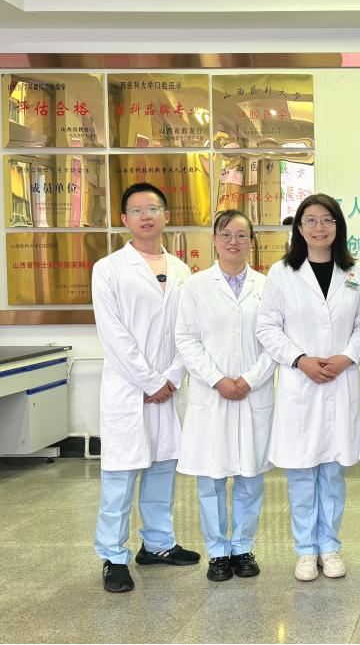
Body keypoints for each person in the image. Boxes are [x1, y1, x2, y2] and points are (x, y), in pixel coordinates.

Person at [92, 182, 200, 593]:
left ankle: (157, 544)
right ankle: (113, 556)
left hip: (168, 389)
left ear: (166, 216)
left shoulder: (182, 270)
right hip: (129, 389)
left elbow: (187, 332)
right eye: (136, 210)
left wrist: (171, 378)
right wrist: (152, 381)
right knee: (120, 477)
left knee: (162, 470)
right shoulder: (108, 269)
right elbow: (114, 335)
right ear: (124, 220)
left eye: (153, 208)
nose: (146, 216)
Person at [256, 194, 360, 582]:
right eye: (311, 220)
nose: (319, 227)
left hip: (340, 379)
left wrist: (346, 357)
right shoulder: (281, 273)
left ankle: (330, 546)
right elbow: (267, 327)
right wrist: (300, 359)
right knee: (302, 473)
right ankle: (305, 550)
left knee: (333, 473)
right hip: (299, 382)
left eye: (327, 220)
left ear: (338, 226)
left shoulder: (355, 272)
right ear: (299, 228)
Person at [175, 209, 276, 582]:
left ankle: (243, 548)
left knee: (251, 476)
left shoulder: (268, 287)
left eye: (241, 235)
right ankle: (218, 552)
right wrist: (218, 379)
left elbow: (276, 341)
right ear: (214, 240)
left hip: (253, 392)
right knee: (211, 479)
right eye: (226, 234)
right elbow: (186, 339)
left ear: (252, 241)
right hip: (211, 394)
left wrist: (250, 379)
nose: (234, 241)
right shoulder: (195, 287)